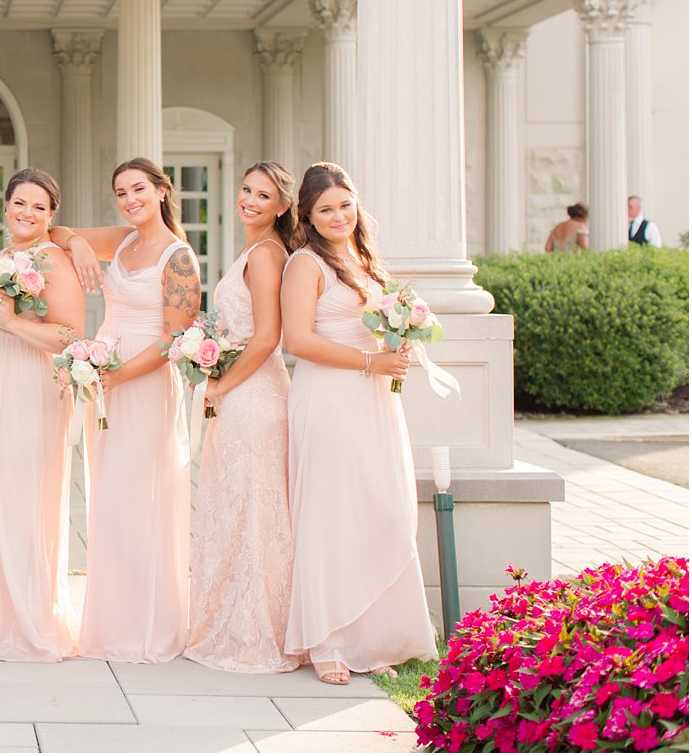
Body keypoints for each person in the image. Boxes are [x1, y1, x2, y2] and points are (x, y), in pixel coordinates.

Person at [280, 162, 437, 685]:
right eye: (325, 209)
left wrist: (401, 339)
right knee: (332, 514)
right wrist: (371, 362)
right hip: (329, 397)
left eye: (345, 204)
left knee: (382, 511)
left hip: (374, 398)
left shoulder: (365, 259)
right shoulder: (305, 264)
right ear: (307, 215)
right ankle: (326, 640)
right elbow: (297, 341)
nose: (338, 215)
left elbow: (382, 319)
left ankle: (371, 636)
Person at [52, 157, 200, 664]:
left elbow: (175, 338)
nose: (130, 199)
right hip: (105, 380)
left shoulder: (178, 257)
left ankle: (149, 626)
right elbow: (55, 231)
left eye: (139, 189)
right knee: (109, 498)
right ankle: (111, 625)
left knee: (145, 499)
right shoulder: (123, 240)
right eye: (120, 192)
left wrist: (119, 374)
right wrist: (75, 244)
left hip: (145, 381)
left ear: (163, 190)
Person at [0, 168, 84, 662]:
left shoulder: (53, 259)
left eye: (39, 207)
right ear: (6, 206)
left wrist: (11, 325)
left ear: (52, 215)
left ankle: (28, 625)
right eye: (20, 203)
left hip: (27, 386)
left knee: (21, 496)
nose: (27, 213)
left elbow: (70, 334)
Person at [181, 162, 301, 674]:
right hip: (244, 391)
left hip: (254, 397)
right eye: (246, 189)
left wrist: (222, 384)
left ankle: (258, 634)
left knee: (254, 510)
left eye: (263, 194)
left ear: (282, 206)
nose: (250, 199)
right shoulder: (254, 250)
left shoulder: (268, 254)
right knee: (238, 506)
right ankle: (233, 623)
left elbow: (268, 335)